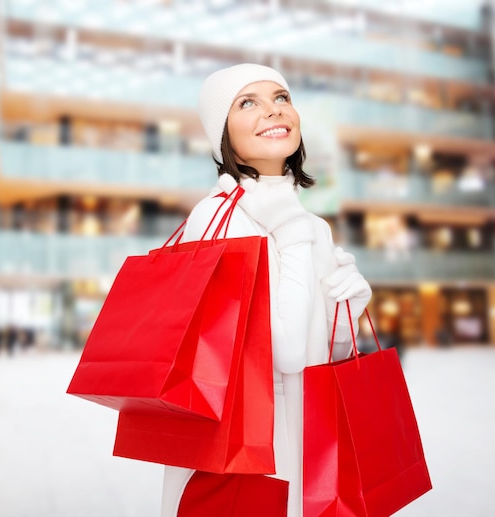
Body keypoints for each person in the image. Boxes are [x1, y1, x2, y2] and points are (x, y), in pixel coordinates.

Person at [161, 64, 372, 517]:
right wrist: (293, 232)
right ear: (223, 132)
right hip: (244, 464)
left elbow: (317, 353)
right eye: (247, 102)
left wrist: (346, 309)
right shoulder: (218, 215)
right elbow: (286, 351)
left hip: (301, 450)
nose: (273, 111)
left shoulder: (310, 224)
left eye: (281, 97)